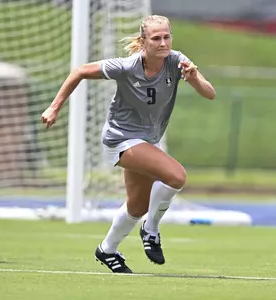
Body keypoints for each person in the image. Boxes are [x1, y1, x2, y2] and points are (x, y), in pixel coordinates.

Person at [41, 15, 215, 273]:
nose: (163, 43)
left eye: (166, 37)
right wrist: (54, 108)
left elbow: (209, 93)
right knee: (176, 176)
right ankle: (151, 230)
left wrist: (194, 78)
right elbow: (79, 71)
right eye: (156, 38)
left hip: (146, 141)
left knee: (138, 205)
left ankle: (107, 249)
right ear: (144, 41)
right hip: (120, 138)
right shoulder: (125, 66)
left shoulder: (177, 61)